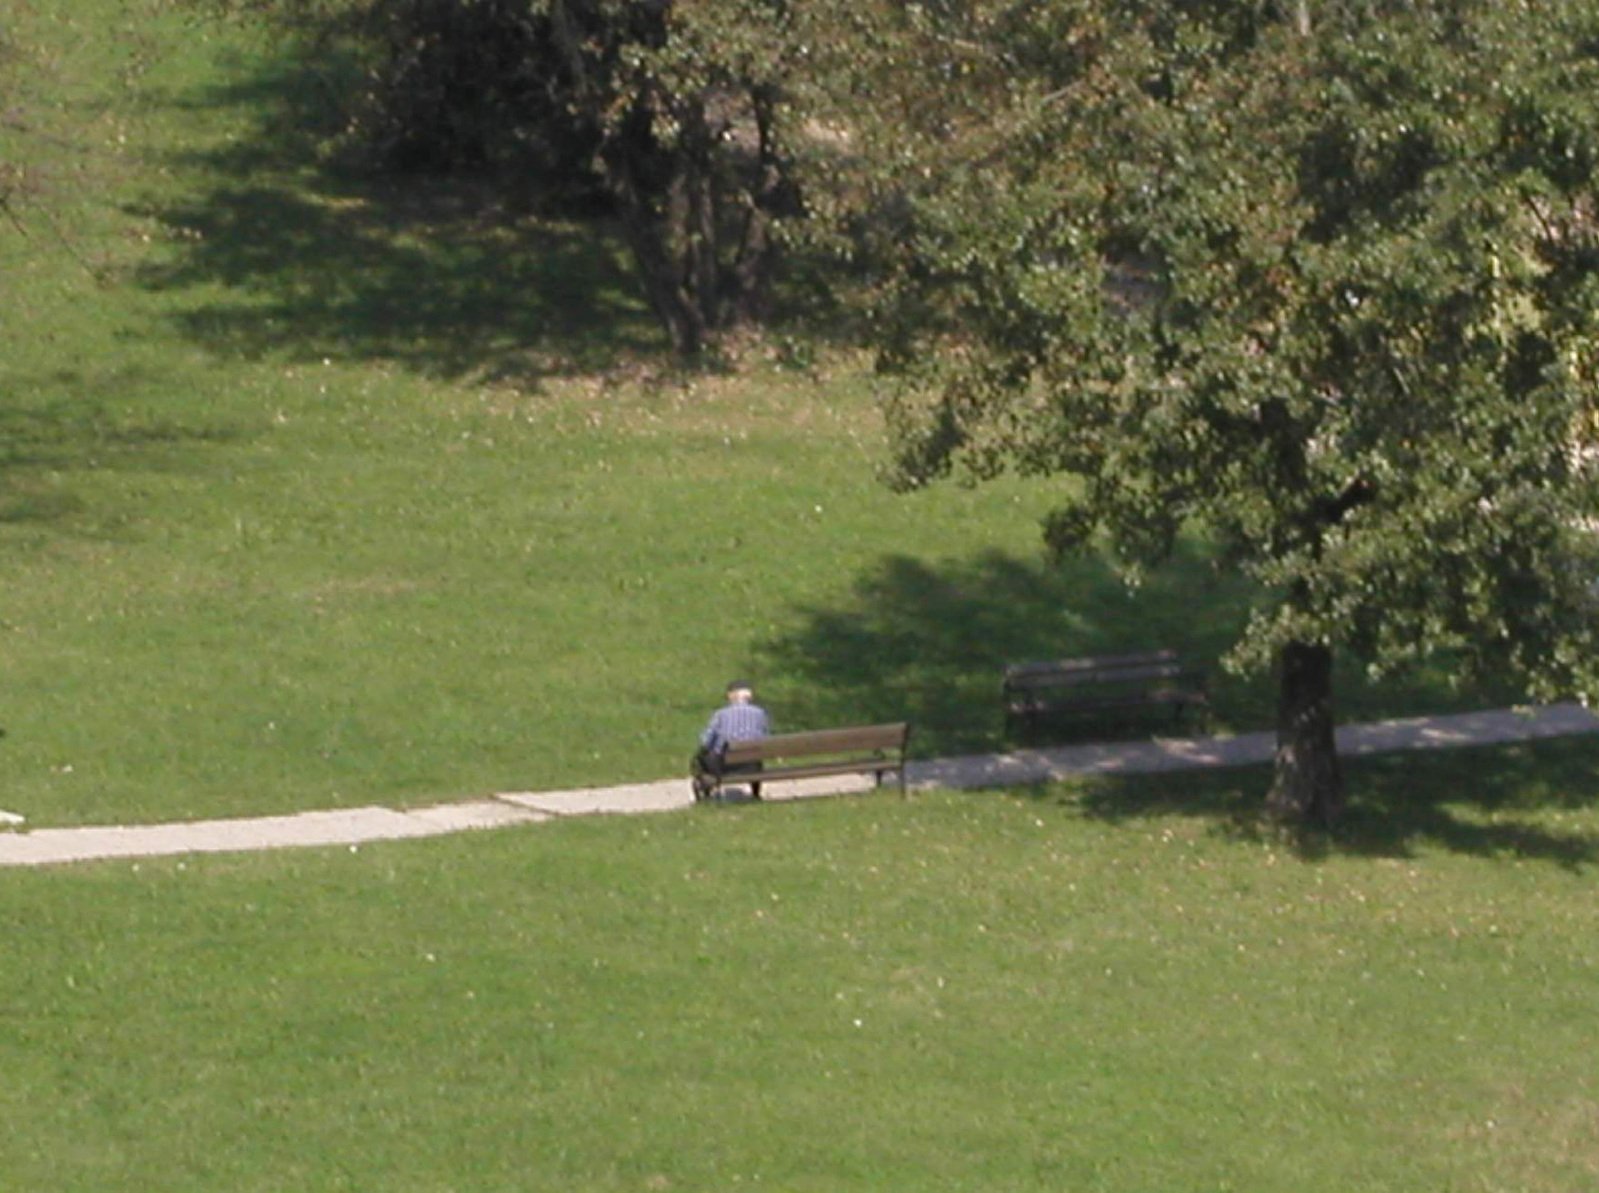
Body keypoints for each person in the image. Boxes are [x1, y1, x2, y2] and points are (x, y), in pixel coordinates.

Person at [691, 680, 770, 800]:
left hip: (724, 765)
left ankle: (706, 792)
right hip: (751, 764)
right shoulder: (760, 713)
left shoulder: (721, 714)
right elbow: (765, 737)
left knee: (703, 758)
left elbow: (706, 741)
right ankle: (755, 793)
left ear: (731, 696)